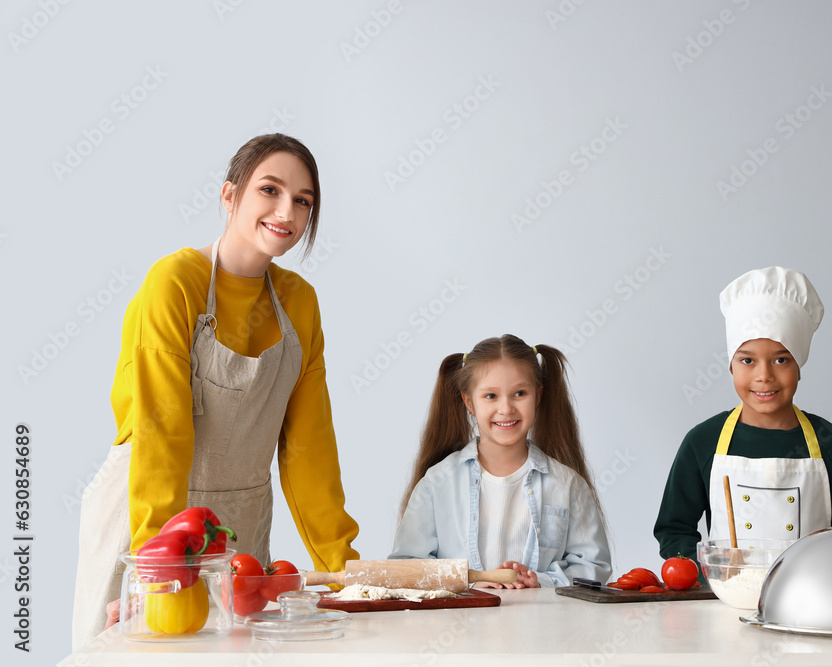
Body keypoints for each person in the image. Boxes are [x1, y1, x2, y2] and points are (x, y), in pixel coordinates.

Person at [72, 134, 359, 649]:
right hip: (147, 522)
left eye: (303, 200)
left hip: (237, 531)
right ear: (230, 195)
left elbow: (309, 447)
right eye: (269, 190)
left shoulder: (300, 302)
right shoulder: (173, 283)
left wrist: (343, 570)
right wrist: (154, 569)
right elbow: (162, 433)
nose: (286, 210)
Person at [654, 266, 832, 563]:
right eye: (747, 360)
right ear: (731, 366)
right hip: (726, 600)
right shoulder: (703, 441)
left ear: (799, 365)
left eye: (781, 360)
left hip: (810, 602)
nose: (763, 376)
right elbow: (674, 529)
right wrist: (705, 571)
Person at [389, 334, 612, 588]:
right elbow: (405, 568)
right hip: (459, 627)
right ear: (468, 401)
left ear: (538, 396)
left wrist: (541, 581)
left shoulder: (567, 484)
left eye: (519, 393)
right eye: (491, 396)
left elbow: (594, 566)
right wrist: (469, 583)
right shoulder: (437, 483)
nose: (506, 408)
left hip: (545, 627)